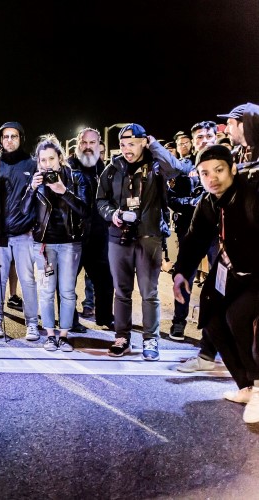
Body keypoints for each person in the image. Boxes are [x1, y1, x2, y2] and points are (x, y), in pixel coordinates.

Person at [172, 144, 259, 423]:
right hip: (232, 271)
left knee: (238, 315)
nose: (213, 178)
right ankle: (246, 386)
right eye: (205, 173)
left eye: (219, 170)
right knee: (210, 313)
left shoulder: (251, 195)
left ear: (233, 169)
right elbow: (194, 239)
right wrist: (180, 273)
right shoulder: (208, 203)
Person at [96, 124, 187, 360]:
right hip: (119, 236)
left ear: (143, 142)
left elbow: (176, 168)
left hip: (149, 236)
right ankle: (122, 337)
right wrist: (112, 214)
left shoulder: (156, 165)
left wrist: (154, 145)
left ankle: (150, 339)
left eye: (132, 144)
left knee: (149, 292)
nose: (126, 149)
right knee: (121, 291)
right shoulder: (112, 168)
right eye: (123, 144)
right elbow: (100, 200)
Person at [21, 136, 89, 351]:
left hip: (70, 242)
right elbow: (23, 211)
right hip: (44, 245)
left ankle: (65, 335)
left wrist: (64, 191)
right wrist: (31, 189)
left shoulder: (75, 177)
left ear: (60, 158)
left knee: (67, 291)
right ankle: (50, 335)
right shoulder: (37, 181)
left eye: (51, 158)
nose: (47, 164)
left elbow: (86, 210)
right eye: (43, 160)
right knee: (47, 291)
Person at [0, 121, 39, 340]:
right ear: (0, 140)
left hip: (23, 233)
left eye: (14, 136)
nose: (9, 140)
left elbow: (37, 198)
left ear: (21, 138)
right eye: (5, 137)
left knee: (27, 279)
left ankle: (32, 323)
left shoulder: (31, 163)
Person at [167, 120, 217, 341]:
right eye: (199, 137)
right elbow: (171, 198)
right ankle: (179, 322)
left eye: (208, 136)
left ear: (215, 137)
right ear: (193, 142)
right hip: (190, 230)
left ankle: (213, 327)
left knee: (218, 281)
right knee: (184, 275)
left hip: (218, 232)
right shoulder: (182, 167)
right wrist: (193, 204)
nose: (204, 141)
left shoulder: (227, 164)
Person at [68, 128, 114, 330]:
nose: (88, 147)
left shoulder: (104, 169)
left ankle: (105, 317)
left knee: (105, 281)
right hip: (73, 236)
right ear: (78, 144)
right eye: (84, 142)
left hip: (98, 236)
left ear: (99, 145)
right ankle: (69, 320)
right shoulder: (68, 167)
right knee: (68, 282)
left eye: (92, 143)